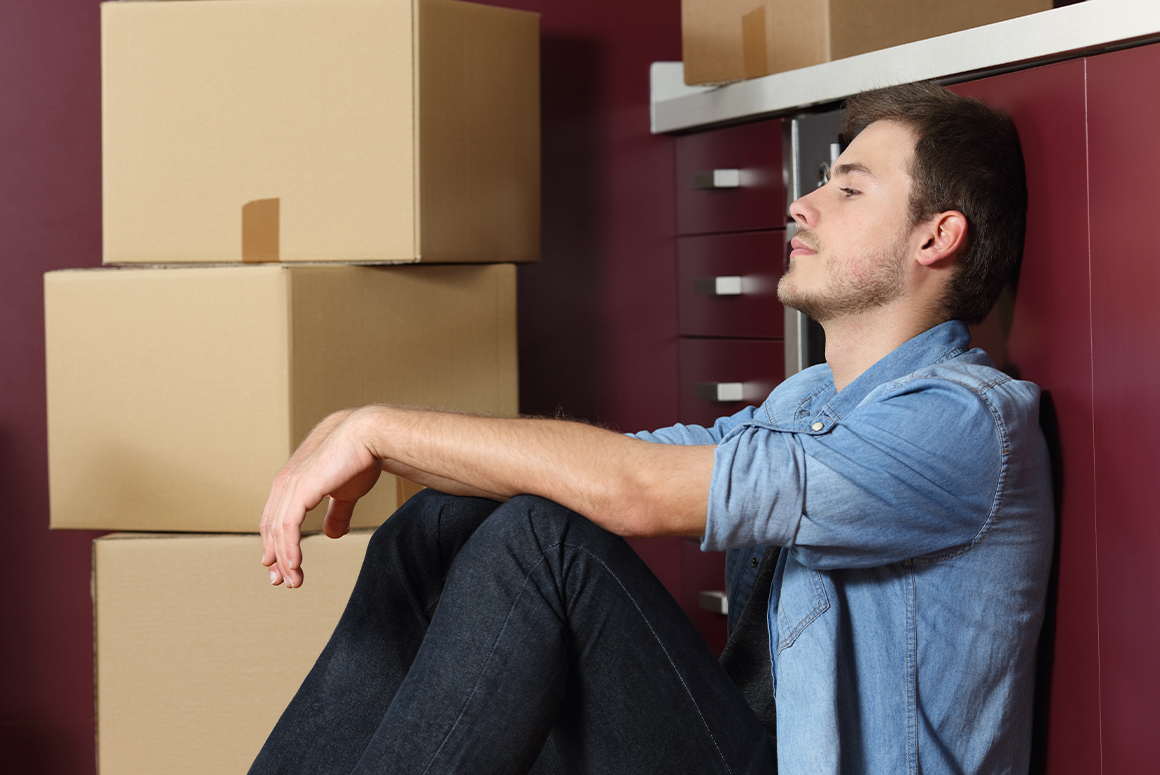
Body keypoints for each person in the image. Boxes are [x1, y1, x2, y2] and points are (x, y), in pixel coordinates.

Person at [251, 80, 1052, 775]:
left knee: (541, 542)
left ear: (936, 236)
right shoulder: (810, 402)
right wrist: (371, 432)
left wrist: (377, 428)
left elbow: (634, 492)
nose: (800, 204)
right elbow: (630, 464)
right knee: (443, 520)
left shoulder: (964, 425)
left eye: (849, 188)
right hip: (744, 744)